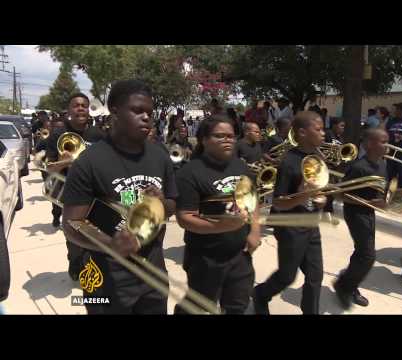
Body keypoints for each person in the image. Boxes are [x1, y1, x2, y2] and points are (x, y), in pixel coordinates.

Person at [61, 80, 177, 314]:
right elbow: (72, 224)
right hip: (104, 282)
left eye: (149, 113)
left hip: (153, 275)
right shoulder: (88, 162)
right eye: (137, 110)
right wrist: (111, 245)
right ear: (114, 111)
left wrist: (162, 204)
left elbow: (173, 203)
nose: (146, 117)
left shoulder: (160, 156)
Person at [174, 115, 261, 314]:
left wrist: (255, 231)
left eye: (231, 136)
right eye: (219, 136)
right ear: (204, 140)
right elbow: (185, 218)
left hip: (240, 254)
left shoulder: (240, 166)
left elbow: (253, 200)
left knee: (238, 305)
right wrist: (224, 226)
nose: (227, 139)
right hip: (205, 258)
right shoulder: (189, 173)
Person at [253, 111, 326, 315]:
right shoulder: (289, 162)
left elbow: (317, 191)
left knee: (315, 276)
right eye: (318, 129)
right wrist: (303, 196)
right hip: (290, 227)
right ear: (302, 133)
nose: (323, 133)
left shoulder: (316, 157)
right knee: (287, 277)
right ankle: (260, 295)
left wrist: (321, 199)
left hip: (311, 224)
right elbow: (278, 202)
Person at [46, 93, 105, 280]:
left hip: (96, 195)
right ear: (69, 110)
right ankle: (75, 261)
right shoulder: (58, 134)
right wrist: (62, 164)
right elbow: (47, 166)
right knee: (74, 237)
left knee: (95, 235)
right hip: (70, 196)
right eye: (76, 105)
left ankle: (91, 266)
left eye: (84, 105)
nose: (81, 108)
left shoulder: (98, 134)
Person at [333, 129, 389, 309]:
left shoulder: (382, 165)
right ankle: (344, 286)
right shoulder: (358, 167)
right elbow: (340, 194)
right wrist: (368, 203)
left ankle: (350, 284)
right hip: (356, 213)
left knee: (362, 252)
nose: (387, 145)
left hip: (368, 212)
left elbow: (380, 191)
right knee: (367, 255)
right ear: (370, 144)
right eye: (383, 141)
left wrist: (386, 200)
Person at [322, 118, 347, 223]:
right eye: (341, 126)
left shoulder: (340, 138)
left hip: (334, 167)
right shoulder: (327, 134)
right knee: (326, 190)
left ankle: (327, 212)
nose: (343, 129)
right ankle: (326, 212)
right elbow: (320, 146)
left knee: (331, 191)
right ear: (334, 125)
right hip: (325, 165)